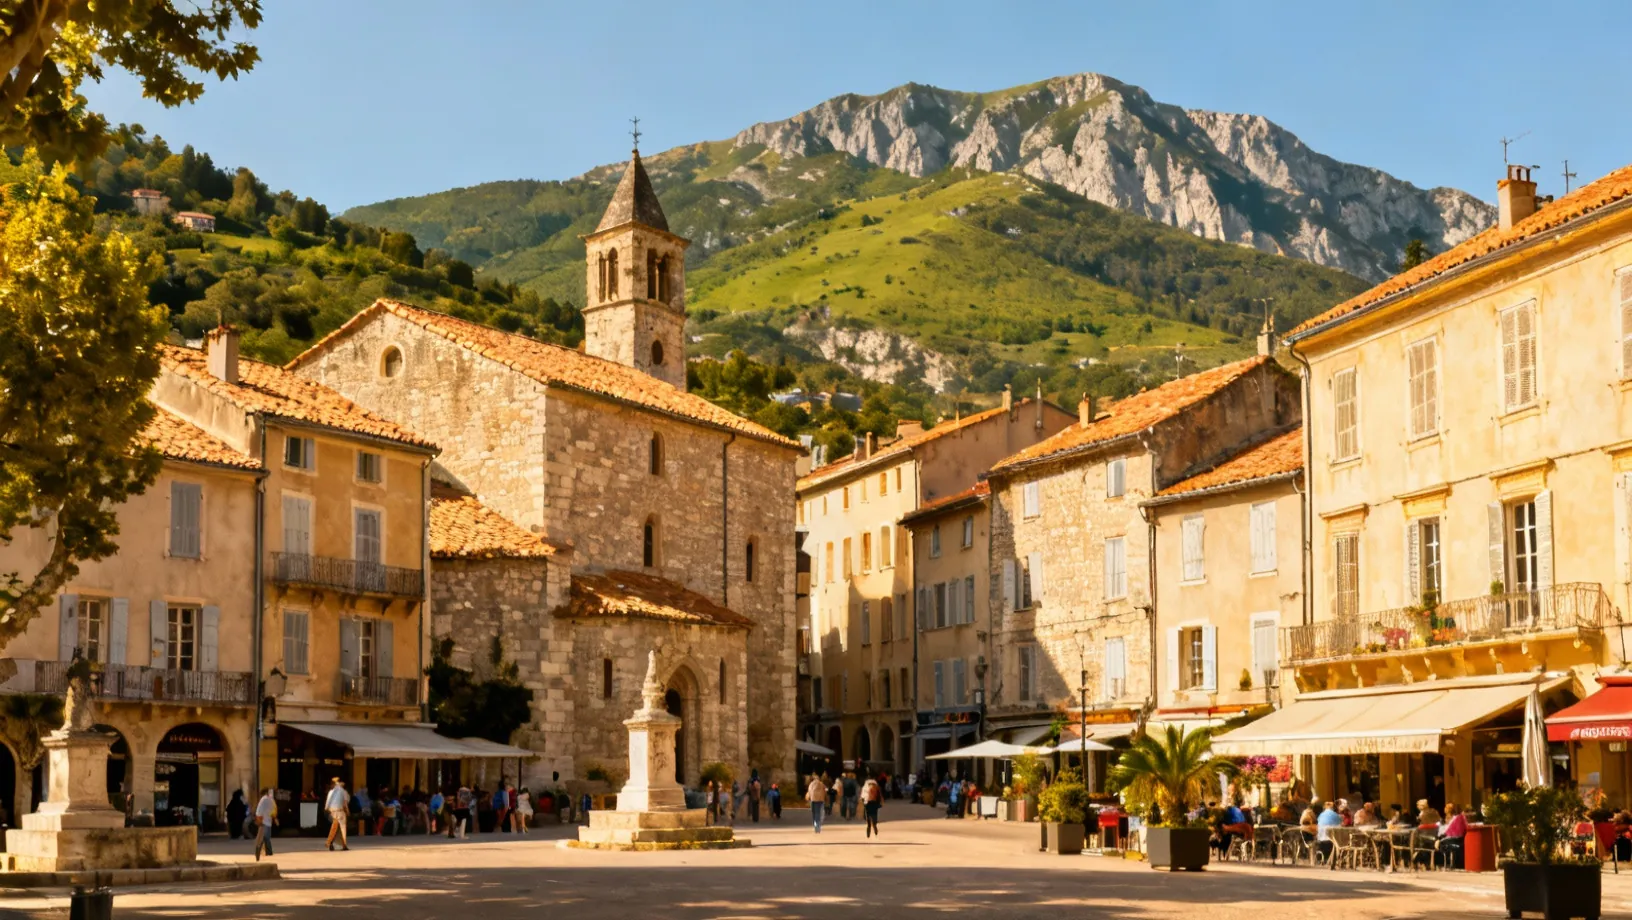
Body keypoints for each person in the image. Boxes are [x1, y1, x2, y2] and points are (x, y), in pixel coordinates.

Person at [1438, 803, 1468, 869]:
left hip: (1453, 838)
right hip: (1455, 838)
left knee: (1438, 843)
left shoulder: (1455, 818)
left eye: (1446, 807)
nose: (1445, 808)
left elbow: (1446, 831)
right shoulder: (1445, 819)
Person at [324, 777, 351, 852]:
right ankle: (344, 845)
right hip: (340, 811)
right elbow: (345, 803)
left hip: (332, 812)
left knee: (334, 827)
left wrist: (326, 808)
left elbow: (327, 802)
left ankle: (330, 842)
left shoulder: (331, 791)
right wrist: (348, 811)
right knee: (342, 828)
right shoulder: (343, 791)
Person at [253, 787, 277, 861]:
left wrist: (257, 819)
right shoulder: (271, 800)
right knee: (266, 837)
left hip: (263, 821)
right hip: (268, 822)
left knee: (264, 837)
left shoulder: (263, 800)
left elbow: (258, 811)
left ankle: (263, 850)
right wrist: (274, 817)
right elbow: (274, 810)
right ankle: (267, 851)